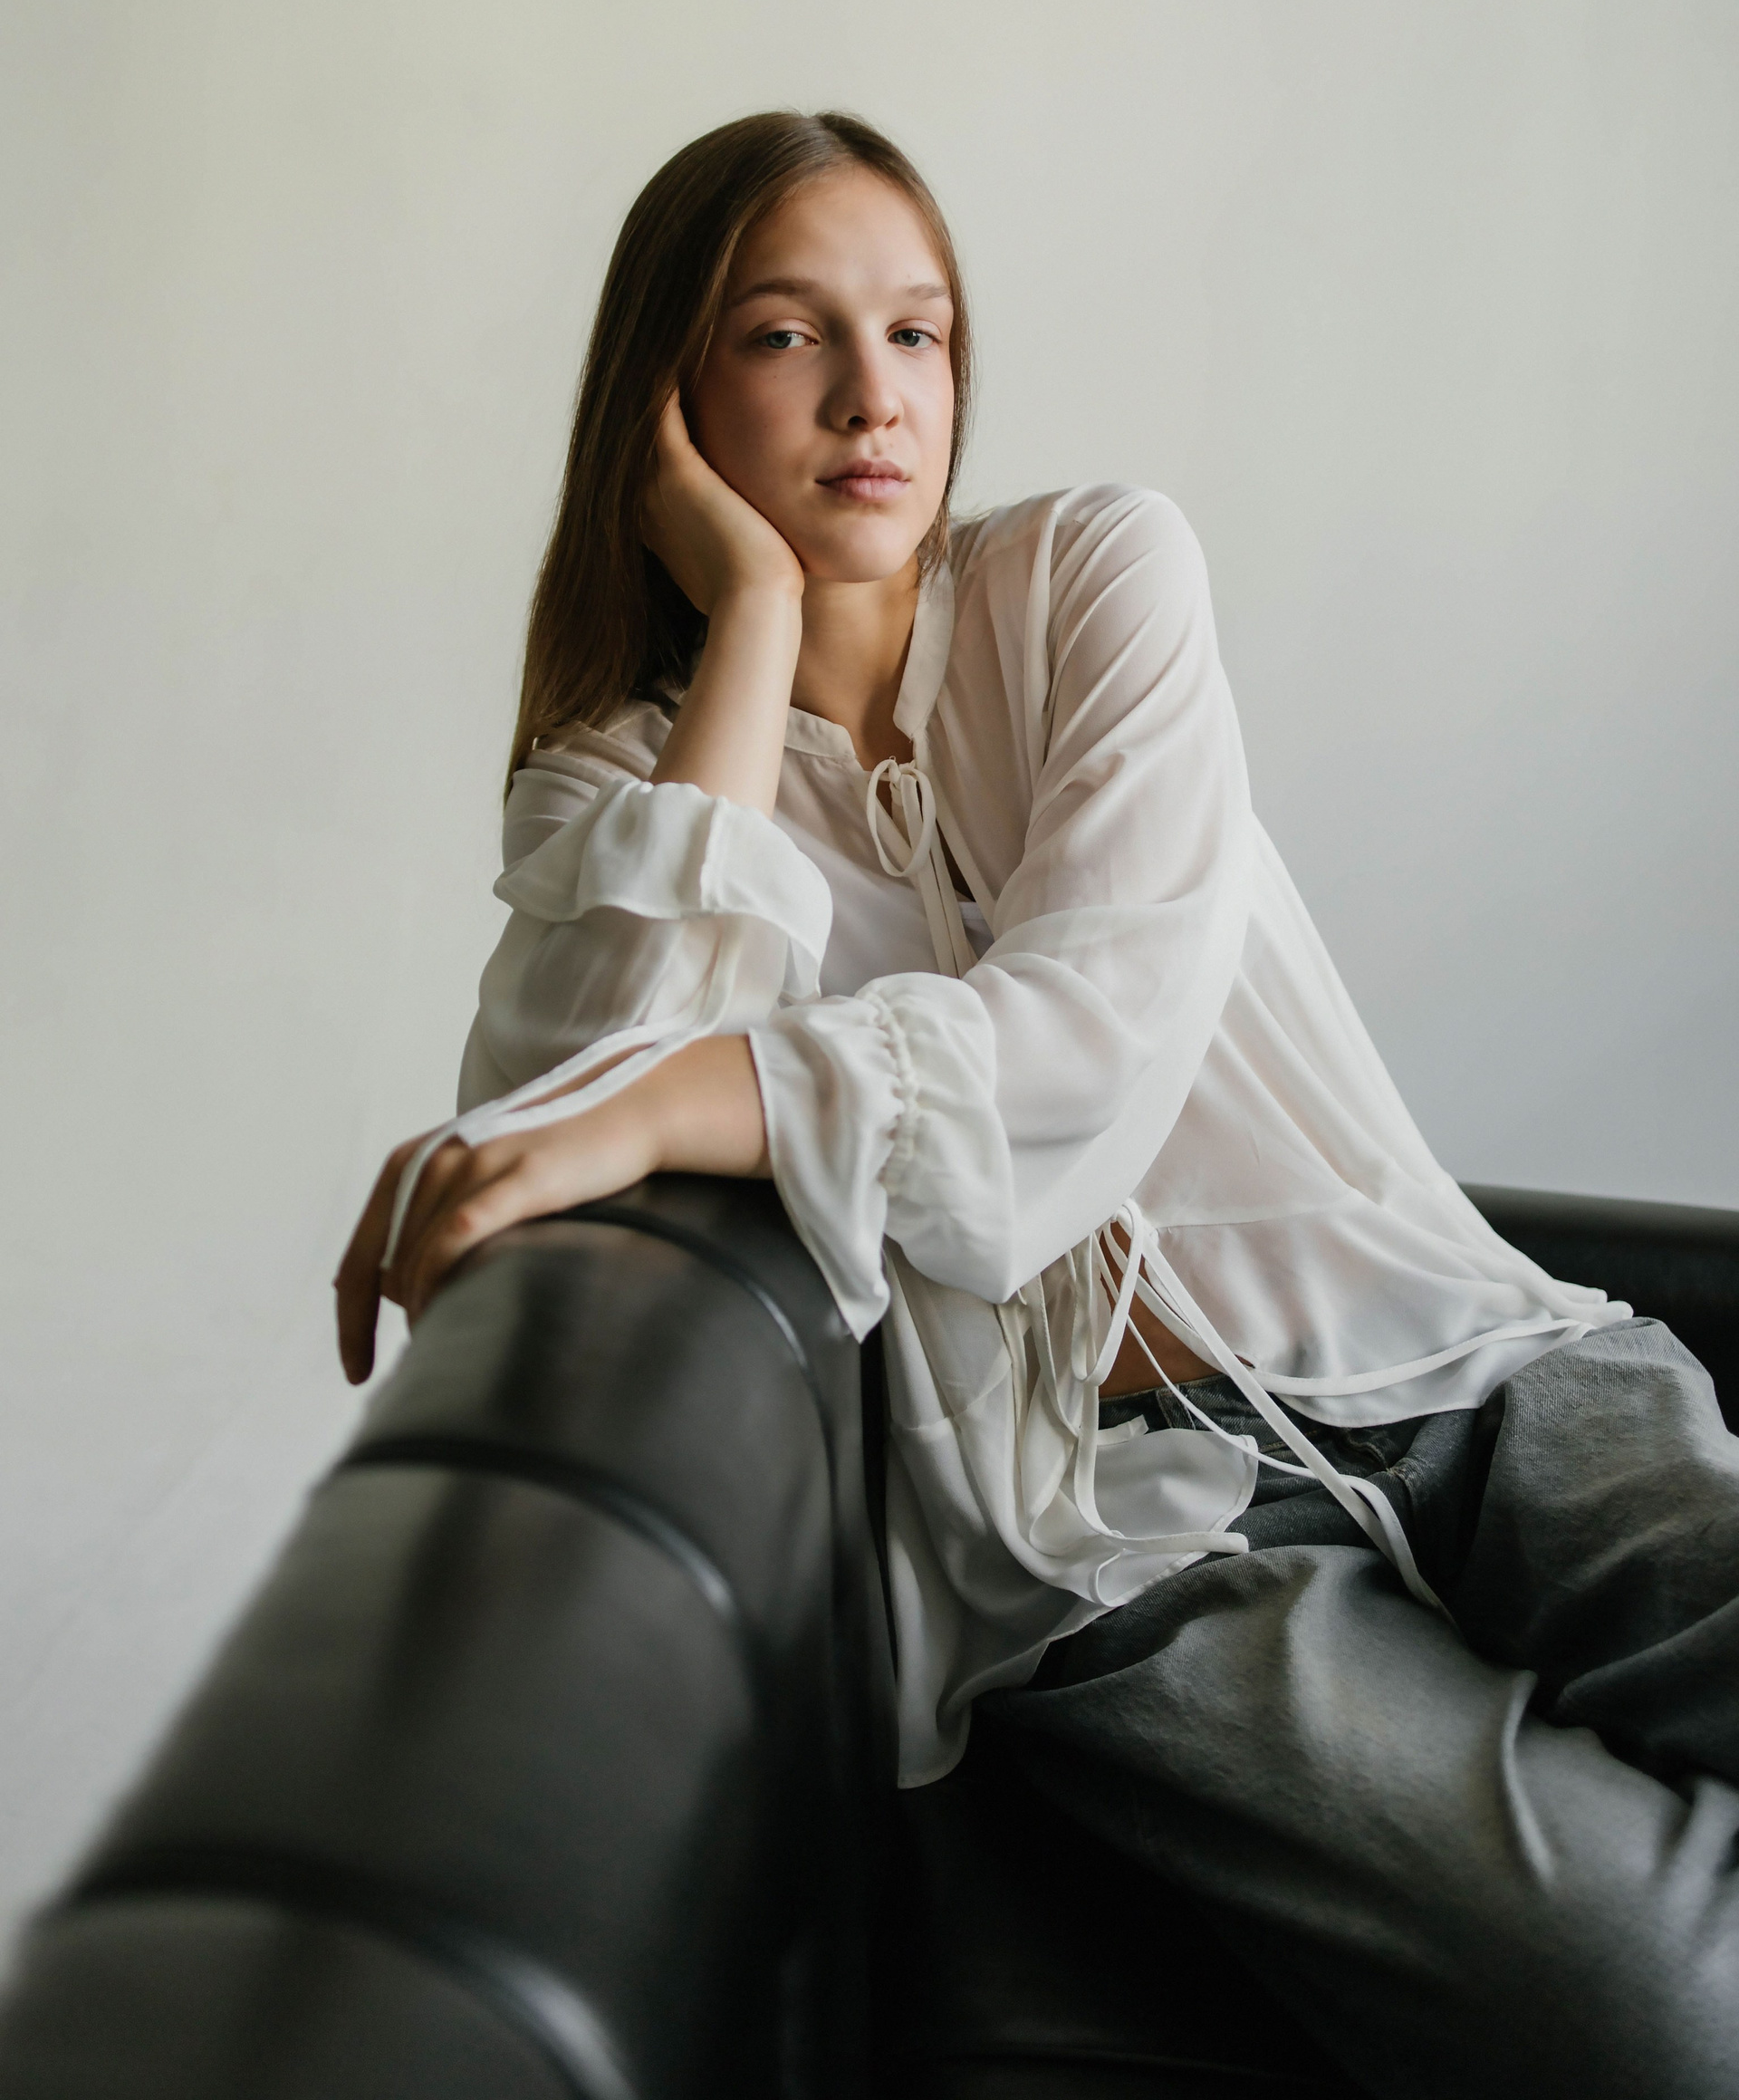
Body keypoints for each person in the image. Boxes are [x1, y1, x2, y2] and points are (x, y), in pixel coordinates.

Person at [335, 111, 1739, 2098]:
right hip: (1121, 1534)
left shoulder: (1092, 571)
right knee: (1660, 2011)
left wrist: (709, 1095)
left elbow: (1092, 1025)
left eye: (916, 333)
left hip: (1468, 1362)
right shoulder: (615, 788)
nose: (874, 396)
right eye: (786, 334)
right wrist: (750, 616)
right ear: (665, 398)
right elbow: (595, 1085)